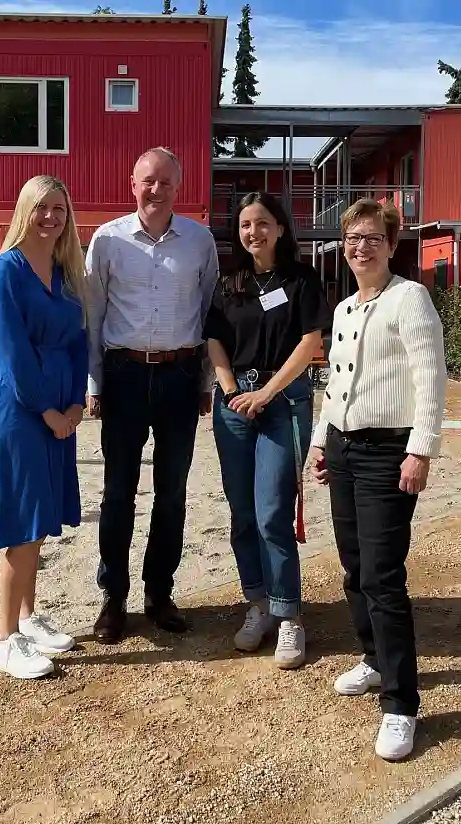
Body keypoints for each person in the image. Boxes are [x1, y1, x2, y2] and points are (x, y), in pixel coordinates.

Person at [308, 198, 446, 761]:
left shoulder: (408, 298)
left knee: (384, 576)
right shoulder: (344, 310)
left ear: (392, 245)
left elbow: (430, 380)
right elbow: (338, 386)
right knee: (354, 565)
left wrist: (420, 452)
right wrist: (322, 439)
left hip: (389, 452)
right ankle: (373, 657)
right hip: (344, 448)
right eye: (351, 238)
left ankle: (400, 704)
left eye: (371, 238)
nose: (360, 246)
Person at [84, 147, 219, 644]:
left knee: (173, 491)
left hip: (179, 377)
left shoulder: (199, 242)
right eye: (148, 181)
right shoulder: (107, 241)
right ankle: (113, 596)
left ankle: (159, 592)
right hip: (122, 375)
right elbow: (92, 317)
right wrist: (93, 383)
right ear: (132, 184)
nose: (156, 190)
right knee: (118, 492)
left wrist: (205, 381)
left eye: (165, 181)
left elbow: (208, 316)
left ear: (178, 188)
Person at [203, 192, 332, 670]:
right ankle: (255, 604)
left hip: (284, 403)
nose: (252, 232)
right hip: (234, 405)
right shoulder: (228, 282)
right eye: (244, 225)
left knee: (271, 512)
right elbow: (215, 339)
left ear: (280, 228)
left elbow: (310, 343)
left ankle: (288, 614)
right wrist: (233, 388)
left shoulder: (301, 280)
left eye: (262, 223)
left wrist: (268, 393)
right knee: (241, 514)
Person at [0, 175, 89, 679]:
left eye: (60, 210)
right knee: (24, 519)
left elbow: (77, 341)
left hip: (58, 409)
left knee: (43, 514)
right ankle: (3, 640)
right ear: (25, 210)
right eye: (42, 208)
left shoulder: (67, 273)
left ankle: (27, 619)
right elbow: (14, 350)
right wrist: (47, 410)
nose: (51, 217)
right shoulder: (5, 271)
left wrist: (74, 403)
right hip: (20, 408)